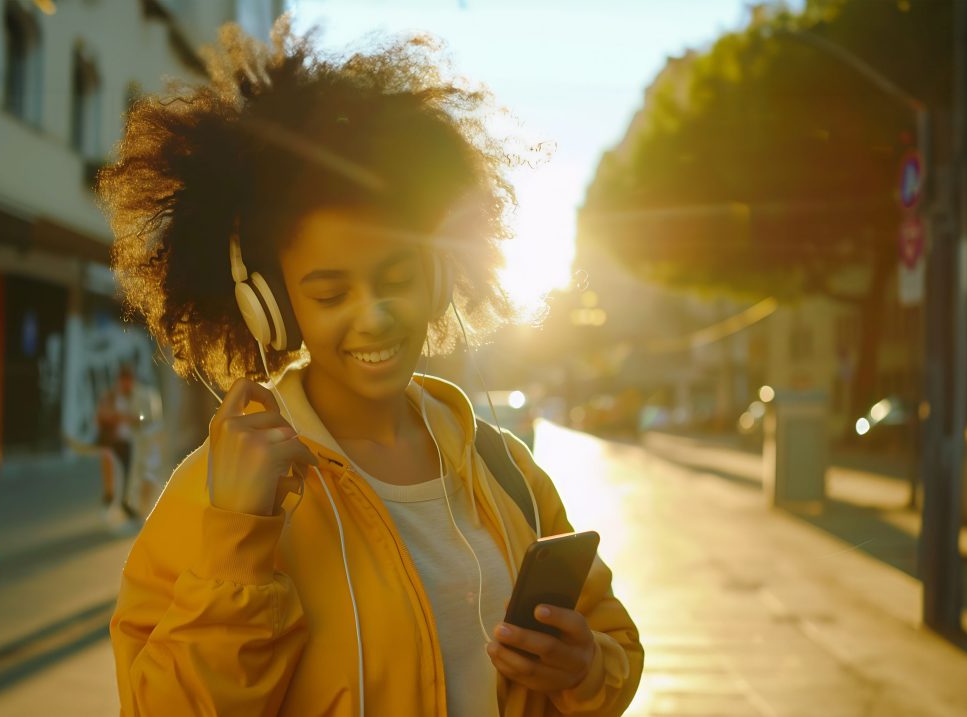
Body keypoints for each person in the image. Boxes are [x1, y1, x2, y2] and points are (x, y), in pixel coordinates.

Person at [99, 20, 643, 715]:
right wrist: (238, 534)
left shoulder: (506, 470)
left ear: (441, 272)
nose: (376, 317)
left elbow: (612, 643)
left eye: (397, 279)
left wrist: (587, 665)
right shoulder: (215, 493)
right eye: (330, 293)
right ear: (270, 303)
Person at [95, 363, 165, 518]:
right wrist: (112, 417)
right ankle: (112, 497)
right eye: (123, 380)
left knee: (134, 473)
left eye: (128, 380)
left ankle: (129, 504)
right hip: (115, 441)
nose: (125, 384)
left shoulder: (141, 396)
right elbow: (102, 415)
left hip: (133, 441)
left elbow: (145, 418)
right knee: (111, 462)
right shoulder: (112, 396)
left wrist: (128, 418)